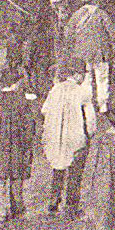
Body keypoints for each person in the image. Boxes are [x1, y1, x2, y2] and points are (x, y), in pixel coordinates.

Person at [40, 60, 96, 214]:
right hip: (75, 136)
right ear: (77, 75)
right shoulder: (82, 92)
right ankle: (71, 205)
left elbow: (44, 110)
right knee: (75, 172)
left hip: (56, 136)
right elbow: (90, 119)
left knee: (58, 167)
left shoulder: (55, 89)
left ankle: (54, 199)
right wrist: (90, 133)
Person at [0, 66, 37, 221]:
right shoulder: (22, 102)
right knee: (17, 178)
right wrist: (28, 143)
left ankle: (1, 210)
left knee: (1, 178)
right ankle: (18, 208)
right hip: (17, 146)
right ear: (16, 83)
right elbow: (29, 127)